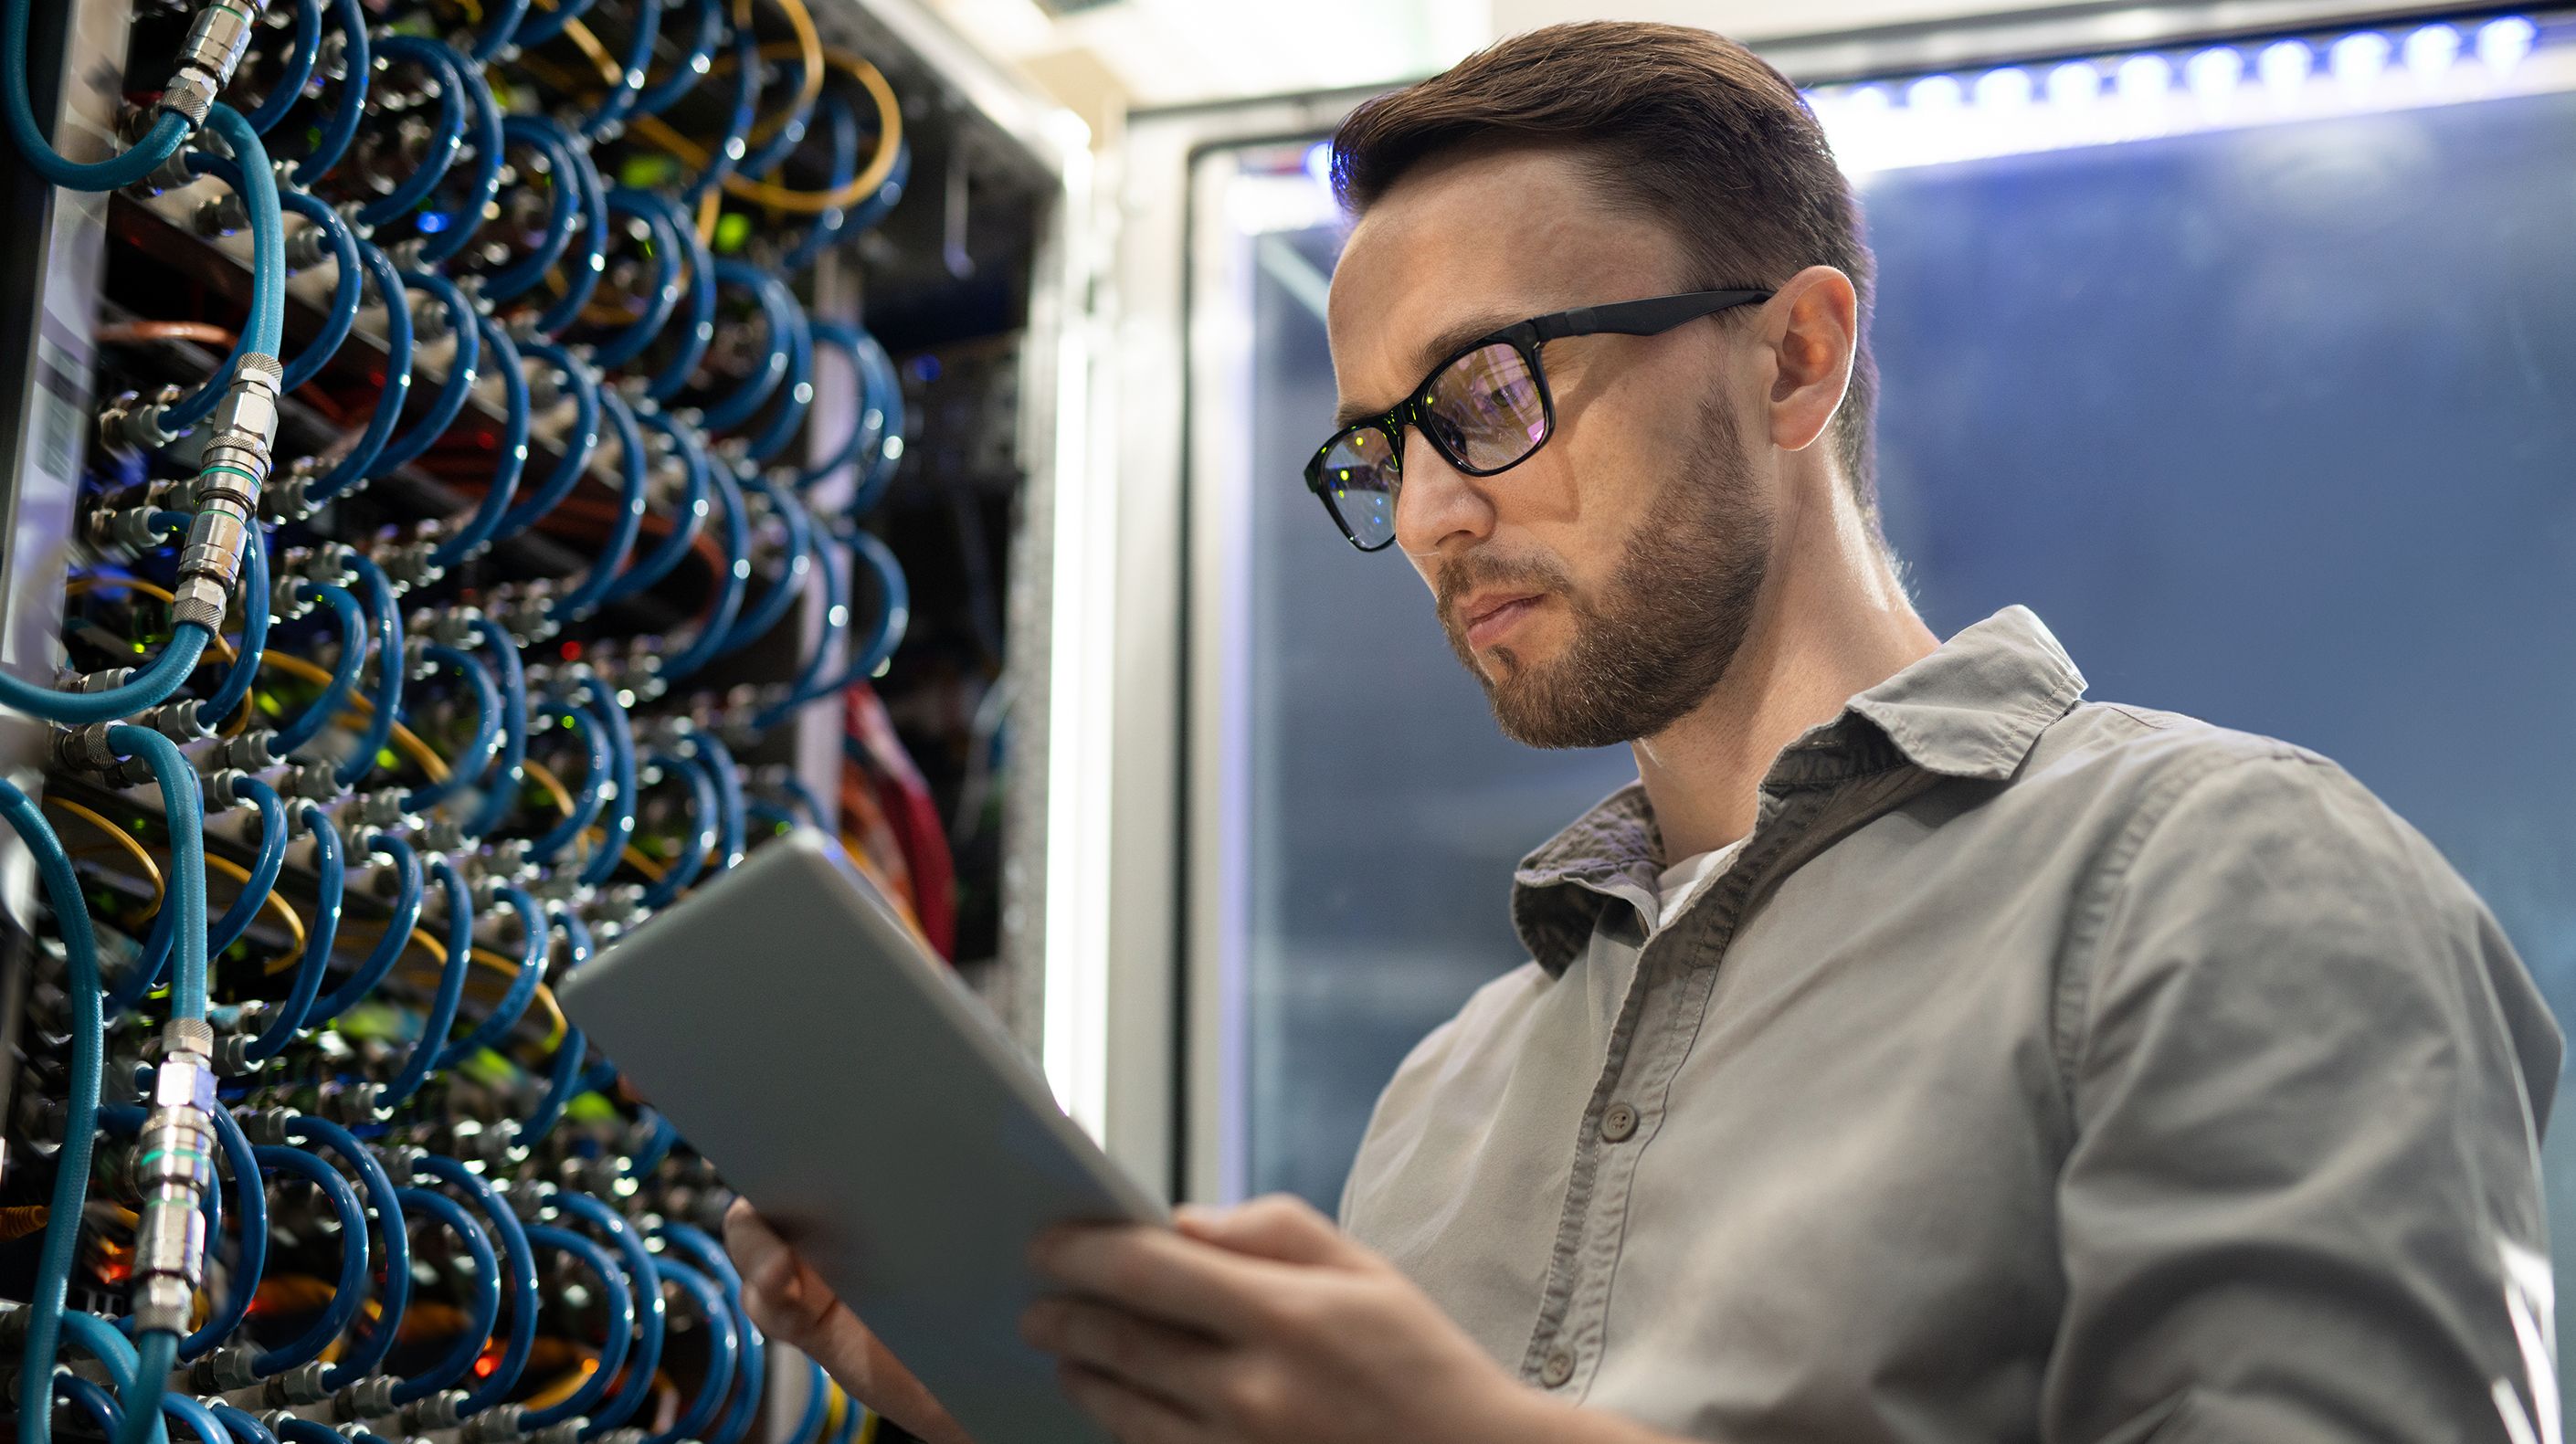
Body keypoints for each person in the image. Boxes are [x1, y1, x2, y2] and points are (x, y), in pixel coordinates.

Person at [727, 20, 2562, 1443]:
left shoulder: (2217, 878)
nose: (1433, 515)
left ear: (1793, 355)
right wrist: (1033, 1398)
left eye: (1492, 394)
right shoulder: (1452, 1089)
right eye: (1382, 450)